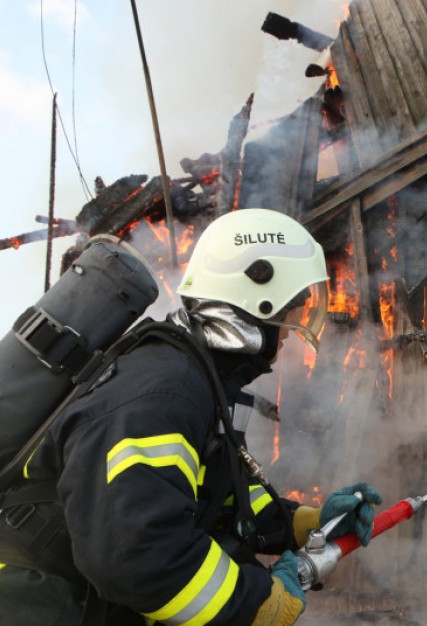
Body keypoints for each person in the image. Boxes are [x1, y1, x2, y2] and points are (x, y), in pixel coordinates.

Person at [0, 208, 382, 625]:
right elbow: (140, 559)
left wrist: (302, 524)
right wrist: (255, 606)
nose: (291, 333)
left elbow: (213, 495)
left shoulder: (197, 379)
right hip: (36, 606)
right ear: (258, 300)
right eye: (289, 316)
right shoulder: (165, 391)